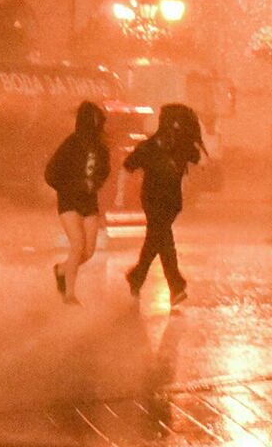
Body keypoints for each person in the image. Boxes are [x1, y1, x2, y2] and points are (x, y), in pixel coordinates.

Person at [124, 103, 204, 307]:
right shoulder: (164, 145)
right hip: (158, 202)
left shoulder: (160, 145)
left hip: (165, 201)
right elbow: (130, 163)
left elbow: (129, 164)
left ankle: (137, 276)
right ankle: (175, 286)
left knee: (156, 240)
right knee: (165, 240)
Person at [44, 100, 110, 305]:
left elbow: (104, 171)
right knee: (78, 245)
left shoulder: (101, 147)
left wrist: (94, 183)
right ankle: (69, 295)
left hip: (89, 203)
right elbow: (51, 173)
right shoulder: (71, 144)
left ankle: (62, 269)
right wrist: (68, 188)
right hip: (69, 202)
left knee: (88, 252)